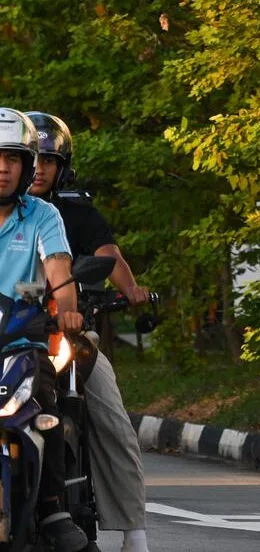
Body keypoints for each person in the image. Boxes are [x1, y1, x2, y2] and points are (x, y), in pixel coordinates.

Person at [27, 112, 151, 552]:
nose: (38, 168)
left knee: (110, 416)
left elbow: (106, 255)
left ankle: (133, 530)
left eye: (49, 160)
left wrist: (132, 290)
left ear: (63, 166)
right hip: (8, 336)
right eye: (30, 158)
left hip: (64, 336)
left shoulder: (71, 212)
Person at [0, 108, 89, 552]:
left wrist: (68, 312)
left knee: (45, 403)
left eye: (11, 159)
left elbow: (59, 271)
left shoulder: (43, 216)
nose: (1, 167)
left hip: (19, 343)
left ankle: (52, 506)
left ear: (28, 164)